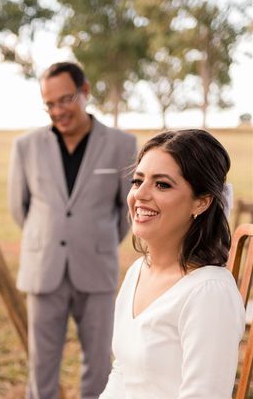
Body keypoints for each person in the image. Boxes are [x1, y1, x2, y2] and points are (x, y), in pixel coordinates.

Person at [8, 61, 137, 399]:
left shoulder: (122, 144)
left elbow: (127, 209)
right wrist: (48, 237)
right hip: (43, 268)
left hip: (97, 268)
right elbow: (18, 207)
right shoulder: (26, 146)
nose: (58, 111)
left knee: (99, 365)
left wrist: (96, 240)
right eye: (49, 104)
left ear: (85, 92)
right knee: (41, 366)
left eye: (65, 100)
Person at [100, 129, 245, 398]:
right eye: (137, 181)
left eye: (162, 184)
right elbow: (123, 373)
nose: (140, 195)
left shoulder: (209, 293)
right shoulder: (138, 272)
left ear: (201, 202)